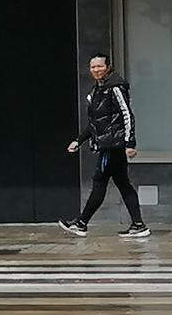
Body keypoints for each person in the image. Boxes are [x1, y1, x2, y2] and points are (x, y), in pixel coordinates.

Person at [59, 53, 149, 239]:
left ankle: (81, 223)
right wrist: (79, 140)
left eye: (100, 66)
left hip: (112, 145)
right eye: (93, 67)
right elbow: (96, 123)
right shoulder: (97, 90)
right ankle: (138, 225)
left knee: (99, 182)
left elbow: (127, 114)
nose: (96, 70)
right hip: (108, 143)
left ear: (108, 67)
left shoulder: (115, 87)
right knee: (123, 184)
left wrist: (130, 143)